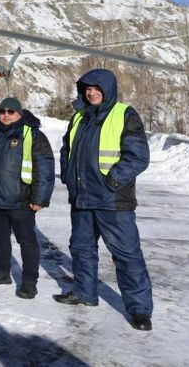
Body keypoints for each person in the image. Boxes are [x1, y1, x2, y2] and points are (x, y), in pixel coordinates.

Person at [56, 69, 153, 331]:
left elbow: (138, 156)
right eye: (87, 88)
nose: (91, 92)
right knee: (82, 249)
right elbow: (67, 149)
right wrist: (68, 175)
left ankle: (139, 309)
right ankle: (85, 293)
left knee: (127, 255)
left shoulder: (124, 114)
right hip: (82, 199)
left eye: (96, 88)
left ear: (107, 89)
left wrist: (112, 181)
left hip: (113, 200)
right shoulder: (79, 117)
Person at [0, 97, 54, 299]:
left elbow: (44, 168)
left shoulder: (32, 135)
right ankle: (2, 273)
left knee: (27, 242)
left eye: (10, 112)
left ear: (19, 113)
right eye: (2, 111)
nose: (5, 115)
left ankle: (29, 282)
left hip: (21, 200)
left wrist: (40, 198)